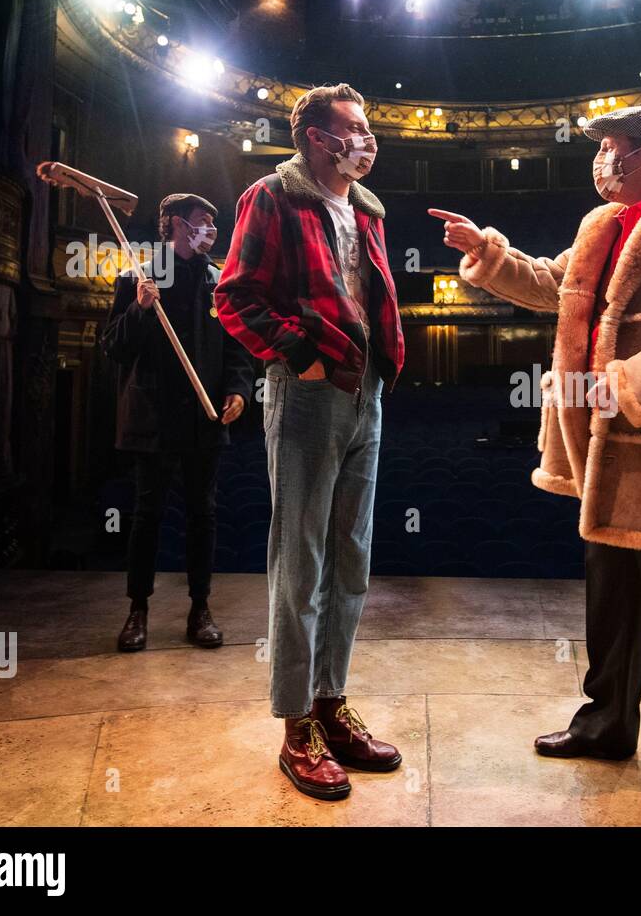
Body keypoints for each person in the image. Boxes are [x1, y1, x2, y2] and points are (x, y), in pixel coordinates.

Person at [431, 105, 641, 826]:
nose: (600, 159)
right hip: (603, 454)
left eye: (610, 148)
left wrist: (627, 383)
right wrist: (488, 255)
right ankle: (606, 726)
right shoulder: (601, 228)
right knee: (610, 604)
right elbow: (555, 288)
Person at [214, 83, 407, 800]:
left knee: (351, 559)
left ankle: (331, 703)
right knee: (303, 562)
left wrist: (381, 360)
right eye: (354, 128)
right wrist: (301, 353)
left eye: (367, 127)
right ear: (317, 138)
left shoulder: (367, 209)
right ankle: (297, 725)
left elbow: (365, 293)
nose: (366, 138)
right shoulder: (273, 196)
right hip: (306, 393)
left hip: (366, 393)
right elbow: (233, 295)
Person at [103, 193, 253, 653]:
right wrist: (140, 310)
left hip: (204, 419)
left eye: (212, 223)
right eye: (200, 222)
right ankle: (137, 611)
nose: (209, 230)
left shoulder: (219, 281)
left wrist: (239, 390)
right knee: (147, 516)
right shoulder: (137, 277)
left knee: (202, 516)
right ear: (172, 225)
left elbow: (237, 348)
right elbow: (113, 348)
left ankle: (200, 608)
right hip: (153, 418)